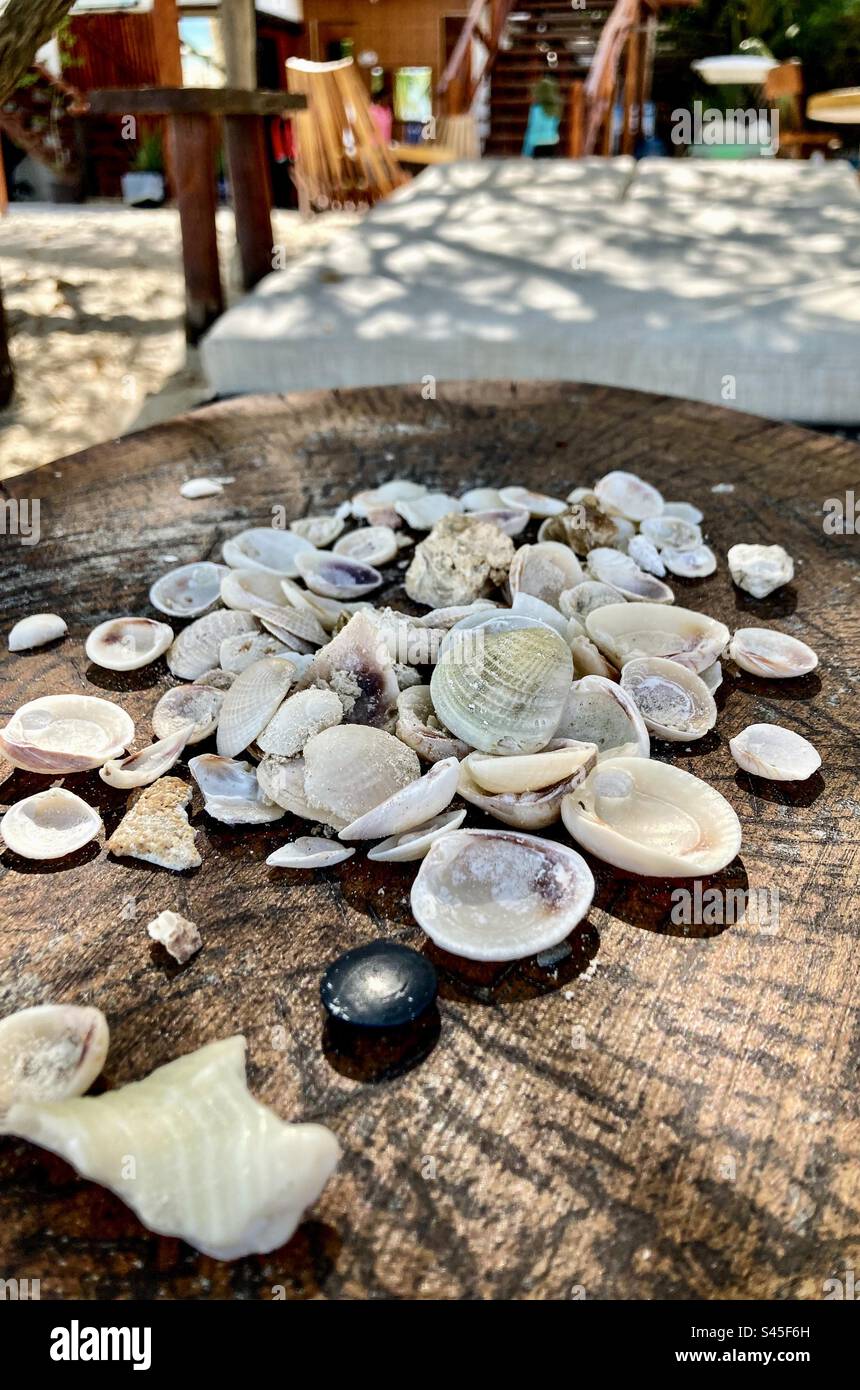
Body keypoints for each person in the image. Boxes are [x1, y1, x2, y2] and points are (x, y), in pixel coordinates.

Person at [522, 75, 563, 158]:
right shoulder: (556, 108)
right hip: (552, 144)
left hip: (537, 145)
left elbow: (532, 130)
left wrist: (526, 152)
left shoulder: (536, 109)